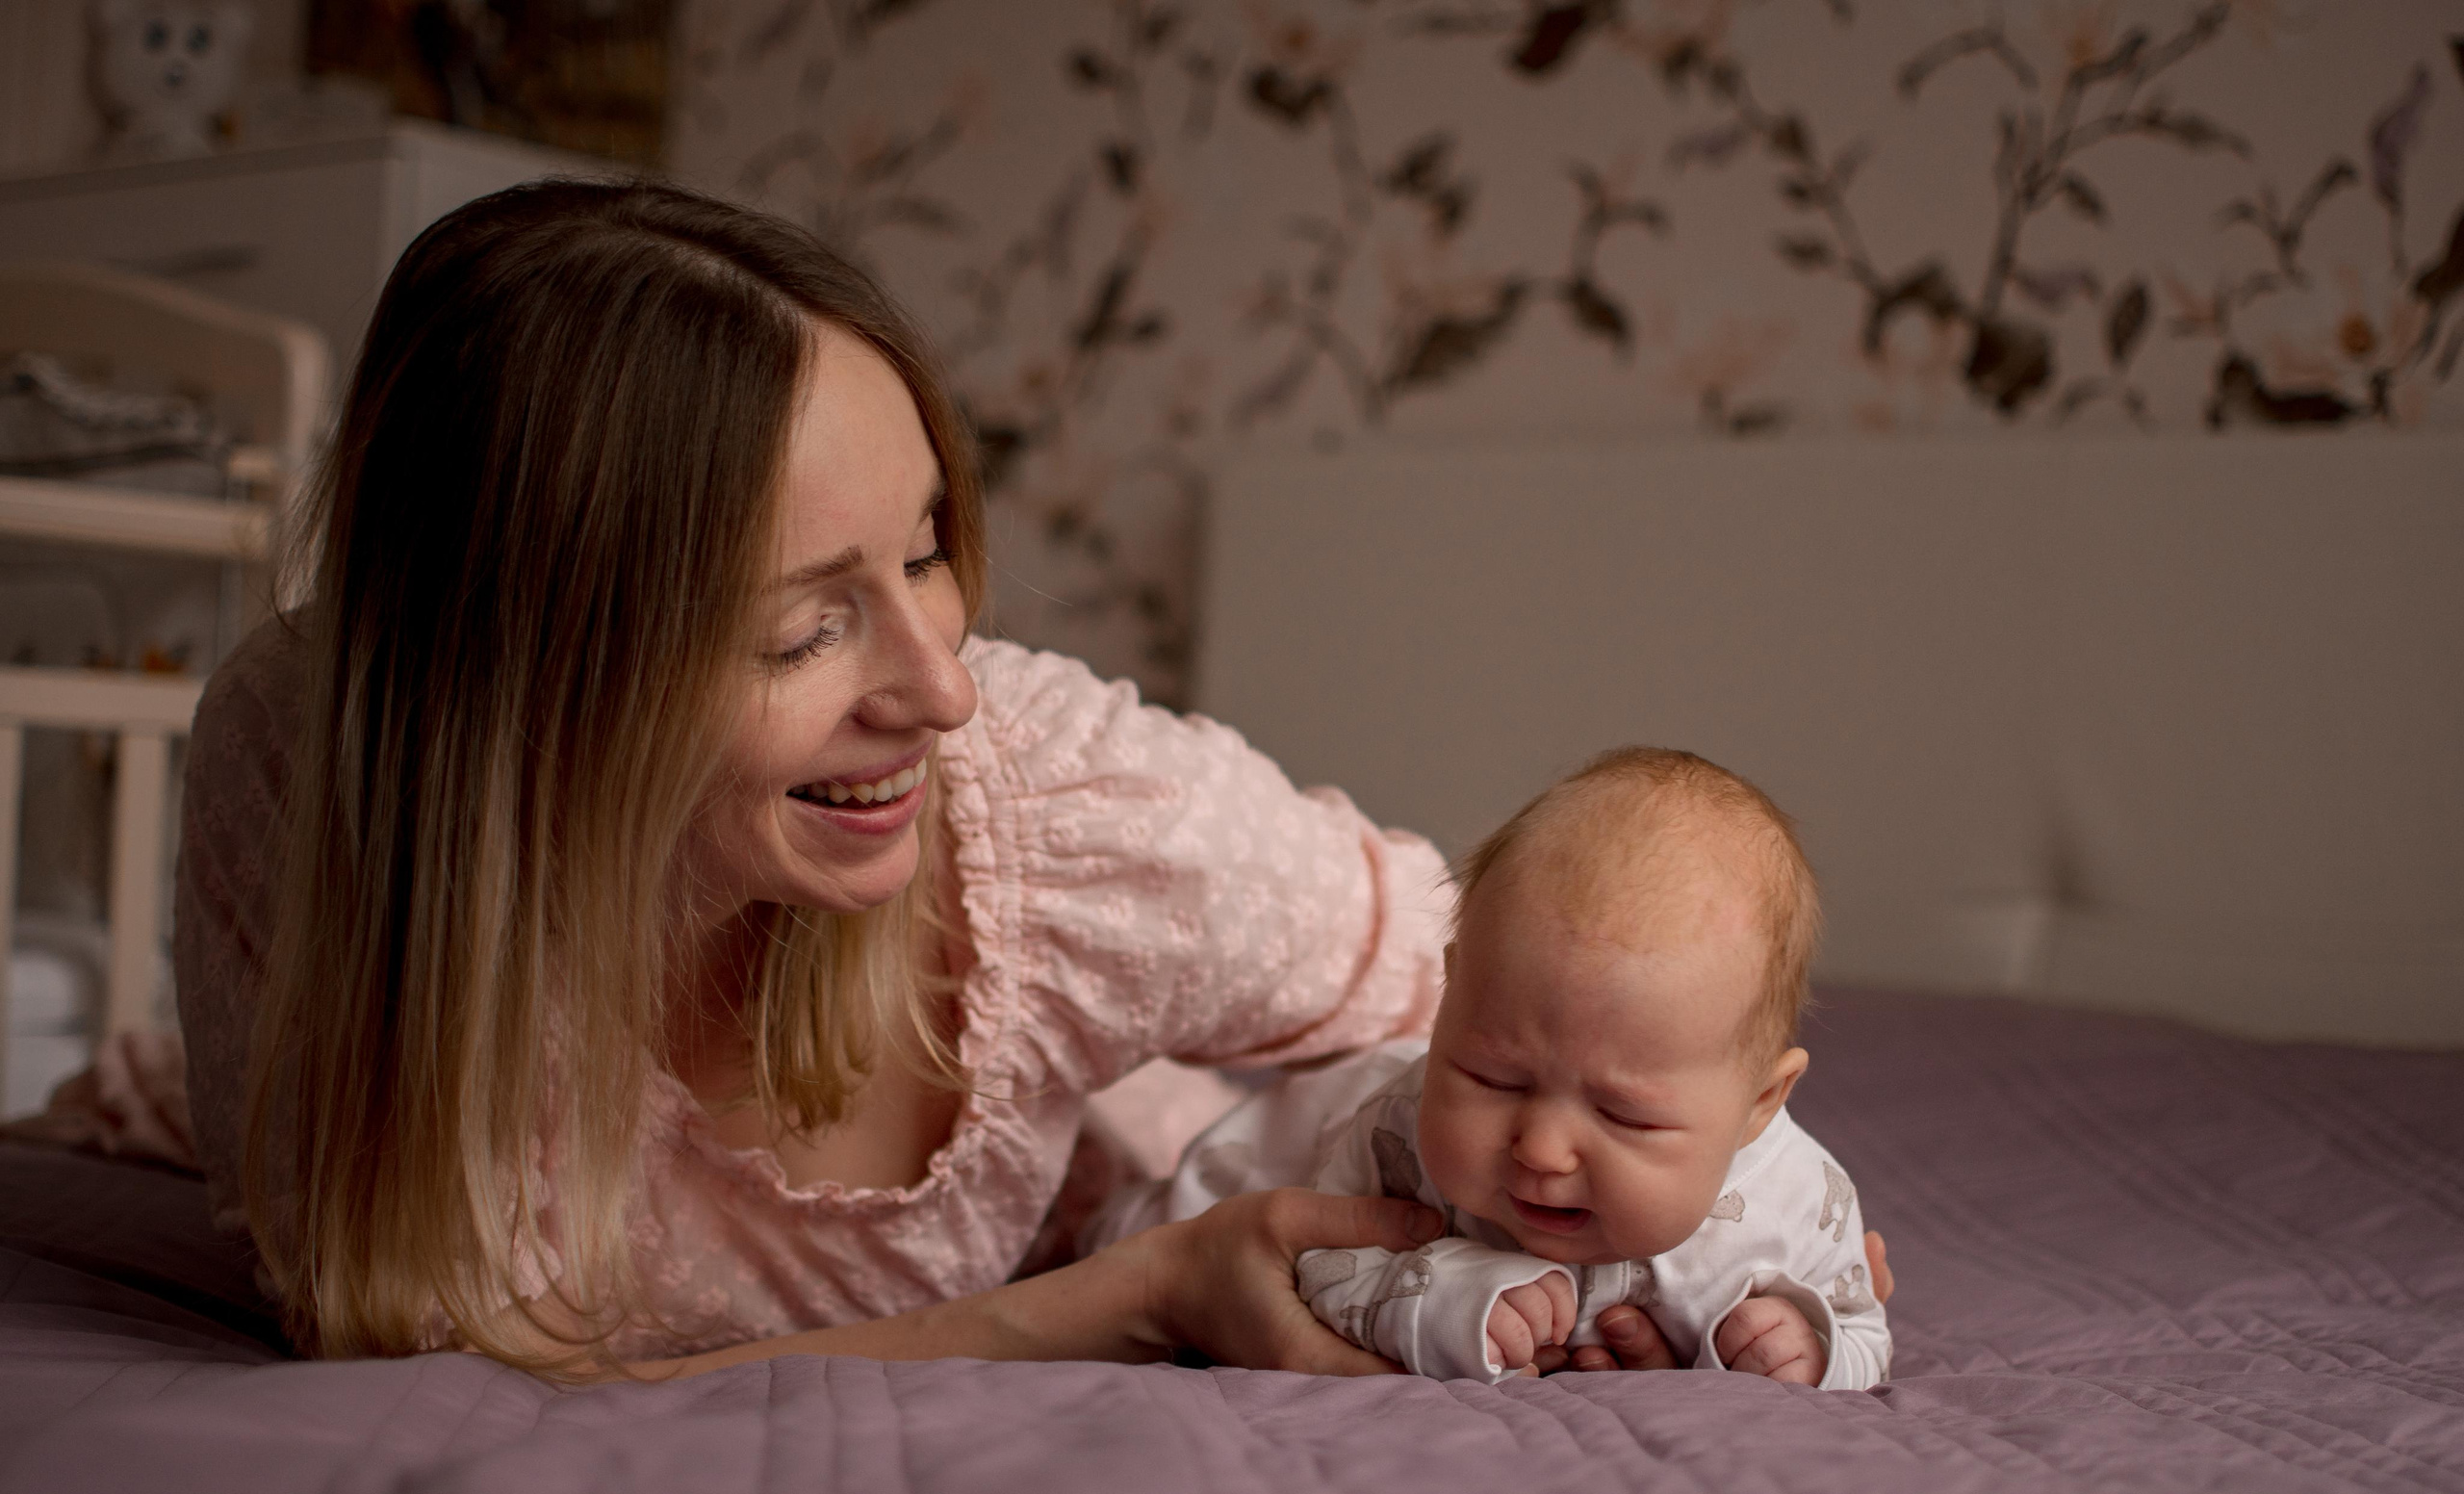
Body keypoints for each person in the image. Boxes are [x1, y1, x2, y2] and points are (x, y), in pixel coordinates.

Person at [173, 179, 1890, 1379]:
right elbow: (437, 1363)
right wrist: (1131, 1298)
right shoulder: (316, 785)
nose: (941, 688)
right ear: (525, 690)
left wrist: (1741, 1203)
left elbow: (1495, 982)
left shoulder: (1075, 827)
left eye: (928, 552)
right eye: (802, 629)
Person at [1091, 749, 1888, 1388]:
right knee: (1120, 1225)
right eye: (1494, 1078)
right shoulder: (1394, 1134)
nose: (1541, 1148)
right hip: (1240, 1178)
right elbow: (1306, 1270)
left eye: (1623, 1114)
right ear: (1450, 998)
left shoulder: (1796, 1204)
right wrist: (1447, 1299)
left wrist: (1810, 1348)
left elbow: (1864, 1330)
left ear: (1760, 1101)